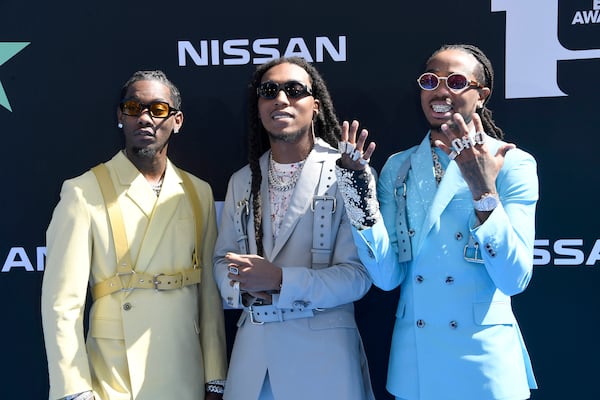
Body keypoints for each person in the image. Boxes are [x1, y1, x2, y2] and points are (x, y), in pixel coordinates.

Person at [335, 44, 539, 399]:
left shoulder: (512, 163)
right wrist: (356, 192)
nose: (441, 91)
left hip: (484, 362)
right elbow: (386, 277)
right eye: (430, 80)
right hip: (418, 363)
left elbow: (514, 278)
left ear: (481, 95)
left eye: (457, 81)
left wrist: (482, 188)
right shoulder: (399, 167)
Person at [41, 70, 227, 400]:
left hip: (184, 371)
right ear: (120, 116)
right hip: (113, 377)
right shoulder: (83, 191)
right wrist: (75, 390)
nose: (144, 118)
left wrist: (215, 377)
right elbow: (62, 305)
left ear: (177, 120)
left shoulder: (199, 192)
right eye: (133, 108)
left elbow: (209, 297)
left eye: (157, 109)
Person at [213, 57, 375, 400]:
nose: (281, 99)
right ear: (259, 106)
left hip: (324, 364)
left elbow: (358, 276)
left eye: (294, 90)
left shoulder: (347, 173)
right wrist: (244, 289)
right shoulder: (242, 181)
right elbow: (219, 261)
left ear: (315, 106)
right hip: (254, 367)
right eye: (269, 90)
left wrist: (280, 280)